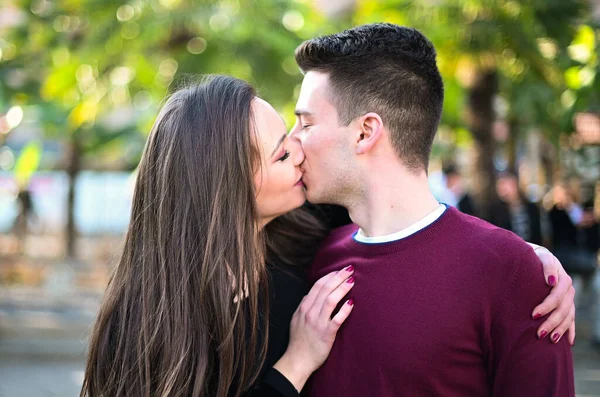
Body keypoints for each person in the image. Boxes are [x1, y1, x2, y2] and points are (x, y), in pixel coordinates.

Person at [80, 76, 575, 396]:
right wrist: (295, 363)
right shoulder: (147, 315)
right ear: (225, 187)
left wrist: (523, 258)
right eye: (279, 153)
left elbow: (408, 227)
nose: (297, 151)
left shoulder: (307, 234)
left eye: (294, 133)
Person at [290, 23, 575, 396]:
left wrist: (521, 262)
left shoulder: (513, 273)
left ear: (365, 132)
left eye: (306, 123)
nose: (292, 140)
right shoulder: (312, 254)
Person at [488, 171, 544, 245]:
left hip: (531, 249)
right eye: (500, 187)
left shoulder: (531, 207)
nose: (503, 191)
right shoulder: (496, 210)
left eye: (506, 186)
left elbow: (537, 233)